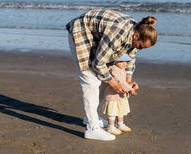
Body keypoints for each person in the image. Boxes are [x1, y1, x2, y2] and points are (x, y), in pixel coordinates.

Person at [66, 9, 158, 141]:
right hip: (81, 31)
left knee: (104, 79)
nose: (139, 49)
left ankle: (90, 118)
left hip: (98, 36)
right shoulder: (117, 33)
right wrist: (114, 84)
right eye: (140, 46)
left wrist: (127, 82)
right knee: (91, 81)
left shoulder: (135, 34)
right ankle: (92, 128)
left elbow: (130, 58)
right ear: (136, 35)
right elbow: (98, 63)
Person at [100, 53, 137, 135]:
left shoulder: (122, 68)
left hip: (120, 95)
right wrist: (130, 89)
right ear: (114, 61)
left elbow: (124, 81)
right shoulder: (113, 69)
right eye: (121, 61)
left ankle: (120, 124)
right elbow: (120, 81)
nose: (124, 63)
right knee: (112, 111)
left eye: (126, 61)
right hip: (112, 95)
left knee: (121, 110)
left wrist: (130, 85)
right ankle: (111, 126)